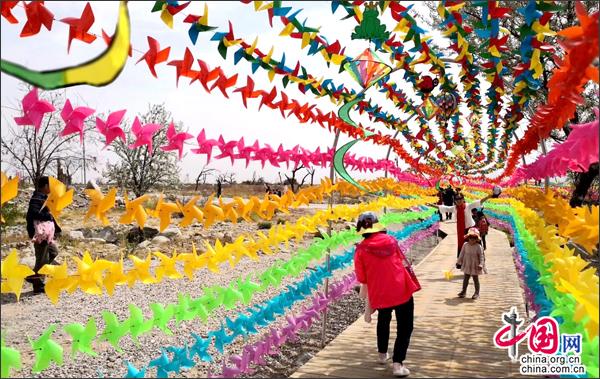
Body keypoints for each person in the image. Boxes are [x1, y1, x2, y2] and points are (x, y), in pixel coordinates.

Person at [354, 212, 419, 377]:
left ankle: (382, 355)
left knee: (383, 321)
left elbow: (362, 278)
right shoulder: (391, 241)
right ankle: (398, 364)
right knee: (405, 327)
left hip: (380, 292)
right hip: (401, 289)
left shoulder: (360, 250)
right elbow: (401, 260)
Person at [435, 191, 495, 262]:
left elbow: (479, 202)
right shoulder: (455, 208)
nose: (459, 201)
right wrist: (430, 205)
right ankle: (465, 264)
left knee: (476, 245)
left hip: (471, 230)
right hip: (461, 231)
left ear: (463, 199)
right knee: (465, 248)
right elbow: (445, 208)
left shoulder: (468, 206)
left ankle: (480, 261)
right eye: (457, 199)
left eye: (460, 199)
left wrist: (488, 197)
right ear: (455, 200)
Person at [25, 176, 61, 294]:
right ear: (45, 186)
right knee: (42, 259)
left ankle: (34, 276)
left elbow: (50, 215)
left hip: (46, 234)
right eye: (50, 185)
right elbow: (33, 213)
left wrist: (56, 230)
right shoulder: (37, 198)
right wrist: (48, 216)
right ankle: (37, 284)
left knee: (53, 252)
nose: (51, 188)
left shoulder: (45, 198)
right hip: (40, 234)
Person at [457, 228, 486, 299]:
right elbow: (462, 254)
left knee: (475, 279)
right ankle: (463, 292)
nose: (472, 239)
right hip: (467, 264)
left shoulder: (478, 247)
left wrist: (481, 264)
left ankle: (477, 293)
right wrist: (459, 262)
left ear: (477, 239)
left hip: (475, 265)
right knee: (465, 279)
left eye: (474, 238)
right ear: (468, 238)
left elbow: (481, 257)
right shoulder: (465, 245)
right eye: (470, 238)